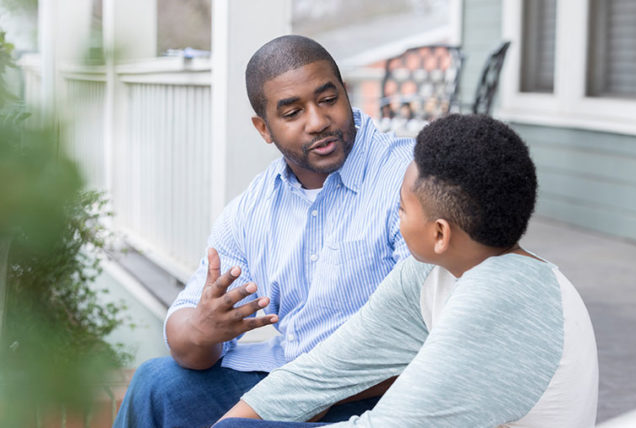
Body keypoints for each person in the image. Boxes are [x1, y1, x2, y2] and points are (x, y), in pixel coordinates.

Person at [216, 115, 599, 427]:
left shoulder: (503, 297)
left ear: (439, 233)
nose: (395, 219)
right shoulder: (435, 271)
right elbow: (322, 371)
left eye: (400, 207)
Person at [113, 35, 413, 428]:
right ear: (264, 128)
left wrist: (305, 393)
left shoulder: (409, 177)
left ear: (346, 93)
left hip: (382, 393)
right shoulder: (253, 209)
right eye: (292, 113)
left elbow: (429, 332)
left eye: (328, 99)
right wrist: (204, 330)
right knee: (157, 383)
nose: (318, 121)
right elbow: (186, 333)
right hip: (288, 381)